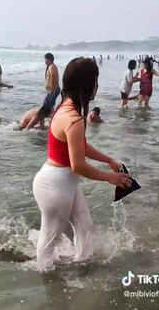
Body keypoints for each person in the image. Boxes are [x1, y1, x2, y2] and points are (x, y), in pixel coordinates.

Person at [32, 57, 131, 271]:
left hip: (64, 183)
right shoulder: (74, 118)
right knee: (49, 239)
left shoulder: (66, 108)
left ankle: (82, 272)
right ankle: (45, 281)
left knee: (85, 228)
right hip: (55, 185)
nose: (98, 85)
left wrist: (109, 161)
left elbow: (80, 147)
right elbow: (78, 165)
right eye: (96, 80)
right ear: (86, 85)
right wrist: (109, 177)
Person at [26, 53, 60, 129]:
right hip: (52, 90)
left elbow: (54, 79)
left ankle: (50, 123)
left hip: (54, 89)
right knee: (49, 106)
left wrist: (52, 90)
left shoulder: (52, 67)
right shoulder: (50, 67)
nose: (45, 61)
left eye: (45, 59)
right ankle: (45, 125)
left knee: (45, 106)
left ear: (49, 59)